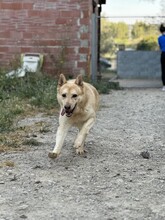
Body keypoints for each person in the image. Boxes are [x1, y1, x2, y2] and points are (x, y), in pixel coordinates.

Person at [158, 23, 165, 91]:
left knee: (163, 70)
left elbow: (160, 46)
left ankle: (164, 86)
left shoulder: (159, 38)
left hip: (163, 54)